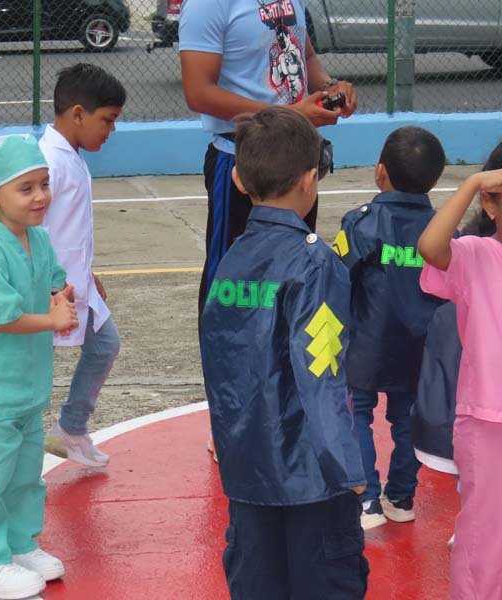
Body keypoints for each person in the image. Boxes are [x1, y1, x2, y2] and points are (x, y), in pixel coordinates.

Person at [200, 107, 368, 600]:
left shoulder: (230, 259)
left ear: (238, 178)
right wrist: (346, 465)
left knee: (256, 582)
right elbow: (322, 369)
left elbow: (222, 361)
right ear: (310, 178)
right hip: (311, 475)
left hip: (246, 468)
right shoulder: (315, 263)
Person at [179, 0, 359, 318]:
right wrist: (287, 114)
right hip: (245, 159)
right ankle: (228, 353)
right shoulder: (208, 4)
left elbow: (306, 56)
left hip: (298, 154)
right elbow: (198, 92)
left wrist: (332, 87)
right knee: (232, 286)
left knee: (294, 271)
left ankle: (280, 349)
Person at [0, 134, 79, 600]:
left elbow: (54, 284)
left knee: (26, 474)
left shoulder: (38, 239)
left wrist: (61, 298)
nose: (40, 196)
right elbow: (1, 317)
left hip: (27, 385)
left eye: (43, 184)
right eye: (25, 188)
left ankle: (19, 543)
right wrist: (53, 319)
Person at [332, 126, 446, 529]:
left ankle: (366, 500)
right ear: (435, 179)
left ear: (380, 172)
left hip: (366, 344)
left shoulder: (361, 223)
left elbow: (338, 277)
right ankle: (400, 496)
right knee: (408, 422)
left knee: (356, 417)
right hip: (419, 347)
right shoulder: (441, 229)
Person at [418, 157, 502, 600]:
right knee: (485, 537)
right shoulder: (476, 255)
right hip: (488, 422)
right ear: (491, 205)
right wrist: (471, 183)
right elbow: (431, 247)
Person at [39, 63, 126, 468]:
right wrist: (50, 286)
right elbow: (34, 230)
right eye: (107, 120)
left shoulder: (68, 156)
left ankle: (71, 428)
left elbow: (66, 230)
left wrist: (87, 273)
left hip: (74, 286)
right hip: (50, 291)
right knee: (27, 378)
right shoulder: (48, 163)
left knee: (105, 345)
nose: (112, 130)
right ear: (77, 114)